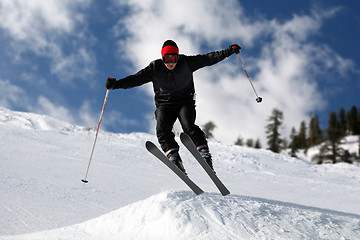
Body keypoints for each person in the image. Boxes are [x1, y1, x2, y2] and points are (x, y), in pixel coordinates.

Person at [106, 40, 240, 174]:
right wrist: (116, 84)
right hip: (165, 105)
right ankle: (173, 155)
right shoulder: (155, 68)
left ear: (178, 56)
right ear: (162, 58)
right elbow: (136, 79)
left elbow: (208, 58)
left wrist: (228, 51)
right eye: (166, 59)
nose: (170, 63)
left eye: (174, 59)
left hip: (185, 102)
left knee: (188, 126)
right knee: (162, 129)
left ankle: (204, 152)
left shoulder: (187, 62)